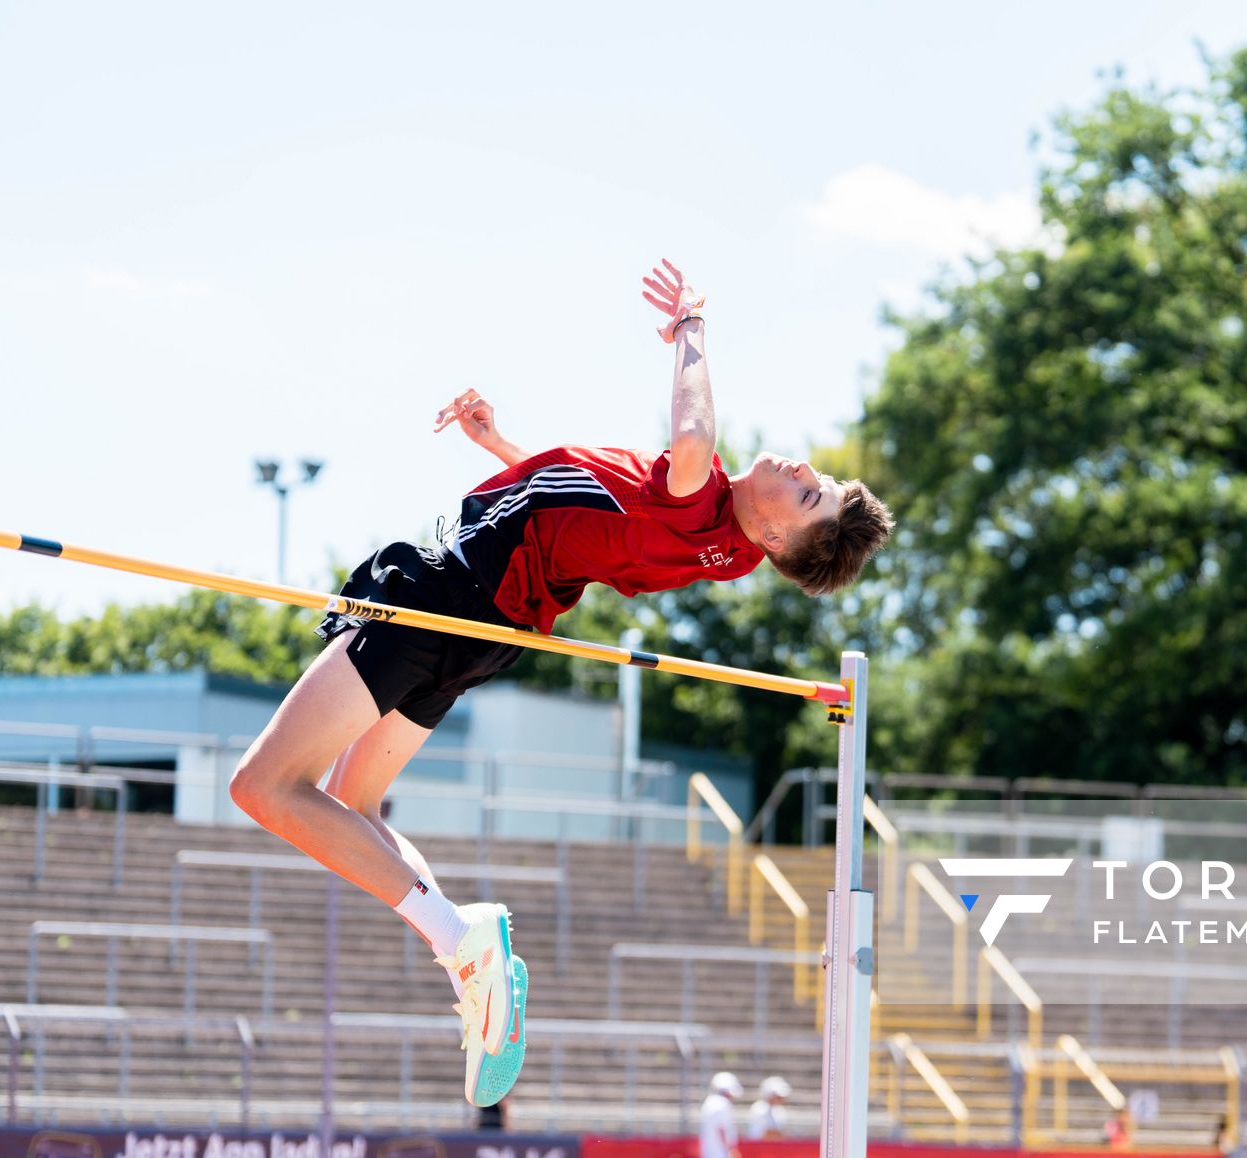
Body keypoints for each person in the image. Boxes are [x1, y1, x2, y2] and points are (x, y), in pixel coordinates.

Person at [227, 260, 894, 1109]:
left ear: (769, 534)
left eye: (807, 494)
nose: (802, 468)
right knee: (352, 807)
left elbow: (689, 441)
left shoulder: (697, 503)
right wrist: (504, 449)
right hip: (485, 627)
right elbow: (581, 506)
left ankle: (461, 938)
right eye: (816, 477)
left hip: (443, 596)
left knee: (265, 785)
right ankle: (468, 964)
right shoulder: (707, 545)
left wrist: (690, 328)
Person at [699, 1072, 743, 1158]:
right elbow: (721, 1129)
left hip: (711, 1155)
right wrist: (731, 1150)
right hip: (721, 1157)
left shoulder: (710, 1102)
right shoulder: (721, 1104)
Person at [747, 1076, 791, 1140]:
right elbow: (759, 1134)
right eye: (777, 1097)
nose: (781, 1099)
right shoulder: (758, 1109)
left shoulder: (780, 1111)